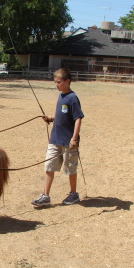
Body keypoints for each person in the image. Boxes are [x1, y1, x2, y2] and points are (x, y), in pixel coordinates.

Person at [31, 68, 84, 206]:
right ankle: (45, 196)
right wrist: (51, 118)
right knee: (49, 166)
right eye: (55, 82)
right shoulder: (60, 96)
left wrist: (74, 138)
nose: (56, 85)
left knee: (70, 168)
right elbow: (62, 115)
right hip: (55, 139)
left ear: (68, 81)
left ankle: (73, 194)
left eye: (59, 82)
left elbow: (78, 118)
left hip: (68, 141)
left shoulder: (72, 98)